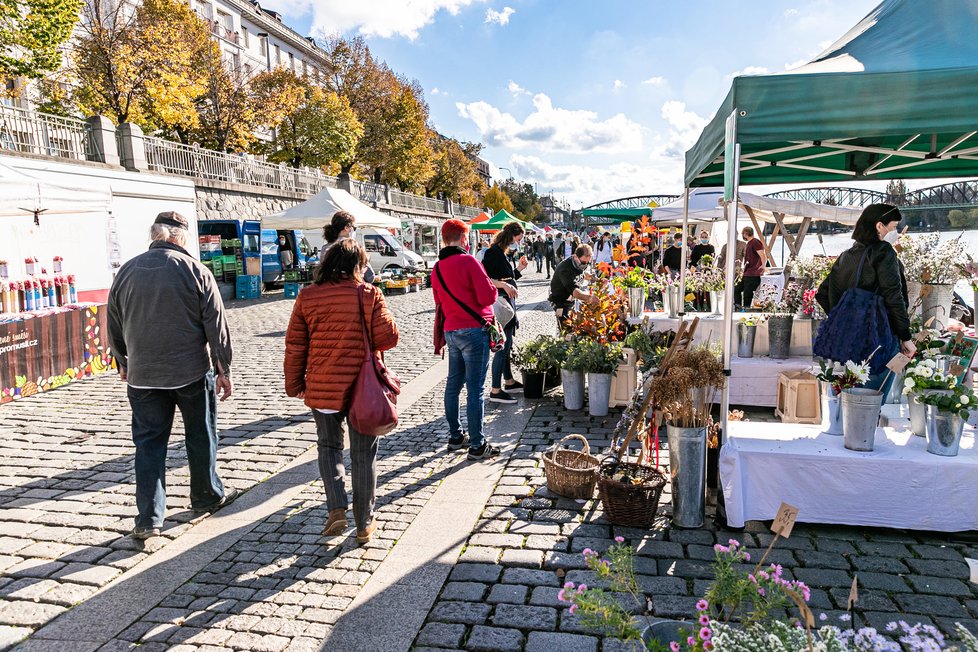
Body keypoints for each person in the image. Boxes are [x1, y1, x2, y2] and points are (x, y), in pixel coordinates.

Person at [107, 212, 236, 540]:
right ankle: (206, 495)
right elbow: (216, 327)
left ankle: (148, 518)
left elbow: (113, 321)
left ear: (156, 235)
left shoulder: (126, 271)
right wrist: (224, 369)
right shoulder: (196, 271)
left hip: (143, 375)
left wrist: (123, 360)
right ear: (179, 238)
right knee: (200, 434)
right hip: (190, 372)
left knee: (149, 445)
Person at [284, 239, 399, 544]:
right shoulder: (369, 294)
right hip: (363, 389)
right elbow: (388, 338)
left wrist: (294, 384)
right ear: (357, 266)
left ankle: (336, 508)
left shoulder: (307, 296)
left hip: (322, 386)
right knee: (363, 454)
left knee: (329, 447)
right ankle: (364, 522)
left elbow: (296, 345)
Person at [815, 204, 916, 398]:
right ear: (880, 226)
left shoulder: (847, 255)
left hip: (852, 339)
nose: (895, 232)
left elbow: (822, 293)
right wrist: (905, 336)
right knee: (873, 397)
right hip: (880, 336)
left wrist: (846, 319)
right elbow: (894, 296)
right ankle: (867, 426)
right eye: (893, 227)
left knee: (856, 393)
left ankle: (855, 426)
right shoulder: (883, 252)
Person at [432, 219, 500, 460]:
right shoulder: (469, 261)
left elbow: (438, 301)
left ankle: (455, 436)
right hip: (474, 330)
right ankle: (477, 445)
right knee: (475, 388)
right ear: (463, 239)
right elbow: (487, 297)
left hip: (452, 330)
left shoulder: (437, 267)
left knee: (453, 384)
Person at [482, 222, 528, 403]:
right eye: (519, 238)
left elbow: (507, 277)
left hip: (507, 302)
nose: (519, 242)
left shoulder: (501, 252)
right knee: (503, 345)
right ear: (512, 235)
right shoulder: (493, 252)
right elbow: (486, 279)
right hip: (501, 303)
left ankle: (508, 381)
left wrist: (519, 270)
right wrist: (504, 285)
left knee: (508, 343)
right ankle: (495, 389)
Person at [549, 244, 598, 329]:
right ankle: (563, 339)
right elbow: (575, 292)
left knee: (573, 323)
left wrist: (595, 279)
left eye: (587, 263)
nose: (585, 265)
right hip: (560, 301)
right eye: (583, 263)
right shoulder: (565, 269)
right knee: (566, 327)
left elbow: (582, 274)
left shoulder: (578, 264)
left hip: (570, 299)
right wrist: (590, 298)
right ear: (575, 257)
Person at [322, 210, 375, 283]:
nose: (354, 230)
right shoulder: (353, 248)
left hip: (329, 288)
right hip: (351, 289)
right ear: (346, 227)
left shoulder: (325, 248)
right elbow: (370, 276)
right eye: (354, 227)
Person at [741, 226, 765, 308]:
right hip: (747, 272)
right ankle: (738, 306)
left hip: (753, 273)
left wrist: (763, 265)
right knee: (737, 289)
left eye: (743, 233)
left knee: (747, 294)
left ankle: (746, 308)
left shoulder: (755, 242)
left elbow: (762, 255)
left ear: (746, 234)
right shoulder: (749, 243)